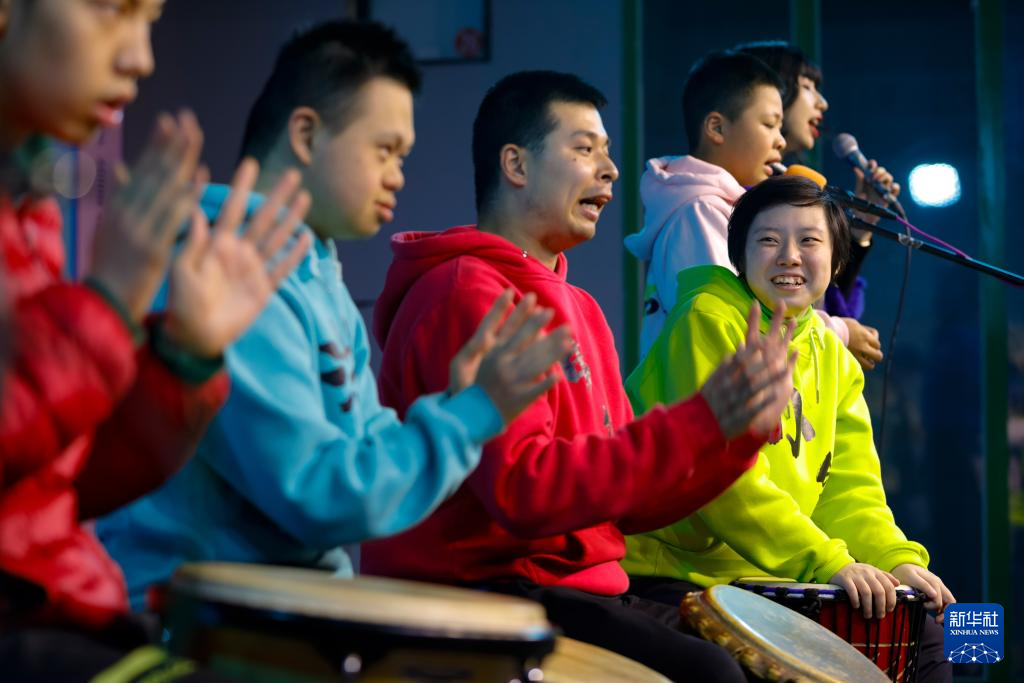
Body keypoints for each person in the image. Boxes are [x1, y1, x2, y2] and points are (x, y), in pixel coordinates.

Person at [98, 21, 572, 609]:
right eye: (384, 150)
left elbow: (364, 456)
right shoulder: (228, 271)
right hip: (205, 617)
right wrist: (471, 413)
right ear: (305, 134)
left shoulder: (316, 274)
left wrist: (461, 405)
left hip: (292, 604)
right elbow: (322, 496)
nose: (398, 175)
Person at [361, 70, 796, 682]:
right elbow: (526, 493)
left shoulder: (582, 307)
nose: (610, 170)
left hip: (576, 589)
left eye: (607, 152)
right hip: (487, 590)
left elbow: (627, 505)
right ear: (516, 164)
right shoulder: (465, 292)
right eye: (584, 149)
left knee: (750, 662)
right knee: (712, 673)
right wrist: (701, 419)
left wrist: (735, 436)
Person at [0, 0, 310, 679]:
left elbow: (61, 482)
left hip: (66, 610)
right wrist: (106, 306)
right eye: (114, 10)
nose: (140, 57)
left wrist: (183, 358)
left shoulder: (25, 198)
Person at [623, 176, 953, 683]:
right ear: (740, 256)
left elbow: (850, 490)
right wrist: (828, 562)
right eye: (769, 240)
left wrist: (895, 560)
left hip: (775, 577)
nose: (789, 257)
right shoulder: (708, 318)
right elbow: (723, 484)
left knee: (934, 634)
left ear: (837, 261)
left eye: (809, 240)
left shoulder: (833, 356)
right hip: (675, 575)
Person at [624, 50, 852, 360]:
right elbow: (736, 321)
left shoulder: (712, 208)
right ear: (717, 128)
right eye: (769, 124)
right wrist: (838, 331)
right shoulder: (700, 211)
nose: (781, 141)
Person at [737, 40, 897, 370]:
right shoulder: (731, 200)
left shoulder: (783, 184)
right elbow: (751, 313)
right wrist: (840, 331)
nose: (822, 103)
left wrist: (860, 229)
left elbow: (824, 304)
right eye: (808, 86)